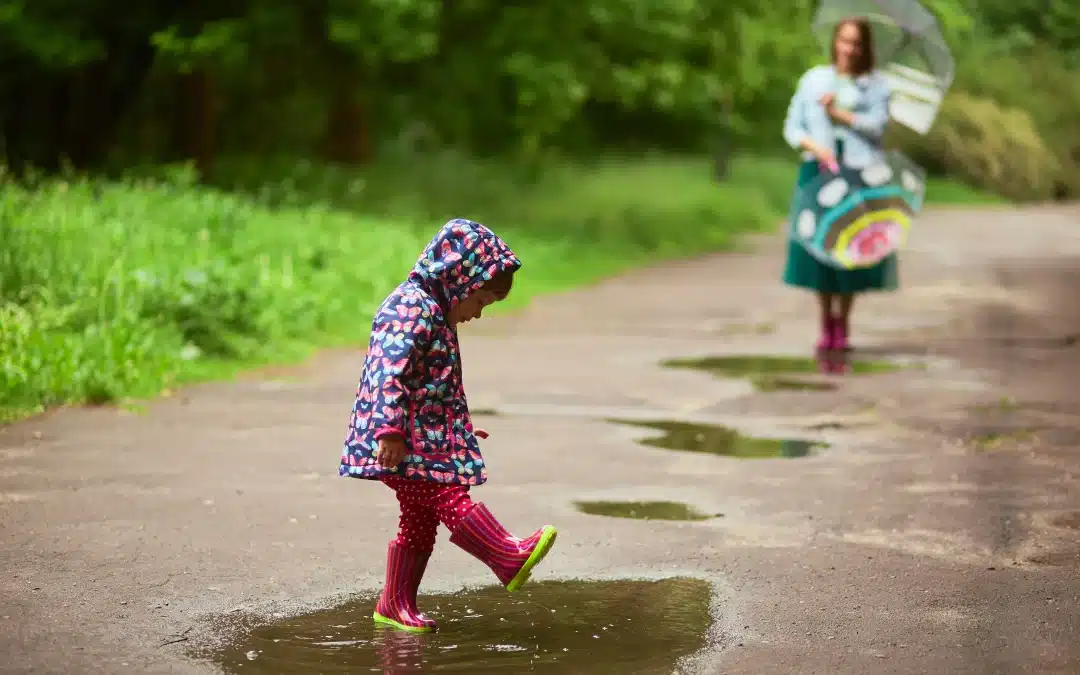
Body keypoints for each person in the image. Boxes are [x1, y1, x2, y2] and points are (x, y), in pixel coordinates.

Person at [339, 218, 558, 633]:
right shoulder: (411, 309)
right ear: (459, 280)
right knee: (448, 495)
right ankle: (505, 555)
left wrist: (455, 429)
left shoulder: (436, 313)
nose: (477, 313)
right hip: (400, 442)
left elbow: (432, 388)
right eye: (481, 301)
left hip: (422, 439)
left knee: (418, 524)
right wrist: (389, 429)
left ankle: (394, 604)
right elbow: (389, 372)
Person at [781, 17, 896, 352]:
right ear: (835, 42)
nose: (849, 49)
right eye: (844, 41)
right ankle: (824, 320)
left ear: (865, 48)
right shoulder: (814, 80)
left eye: (856, 43)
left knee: (849, 248)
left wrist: (841, 115)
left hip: (857, 172)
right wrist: (815, 147)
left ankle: (843, 320)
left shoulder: (876, 86)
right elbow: (792, 127)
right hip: (818, 172)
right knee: (819, 249)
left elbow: (878, 128)